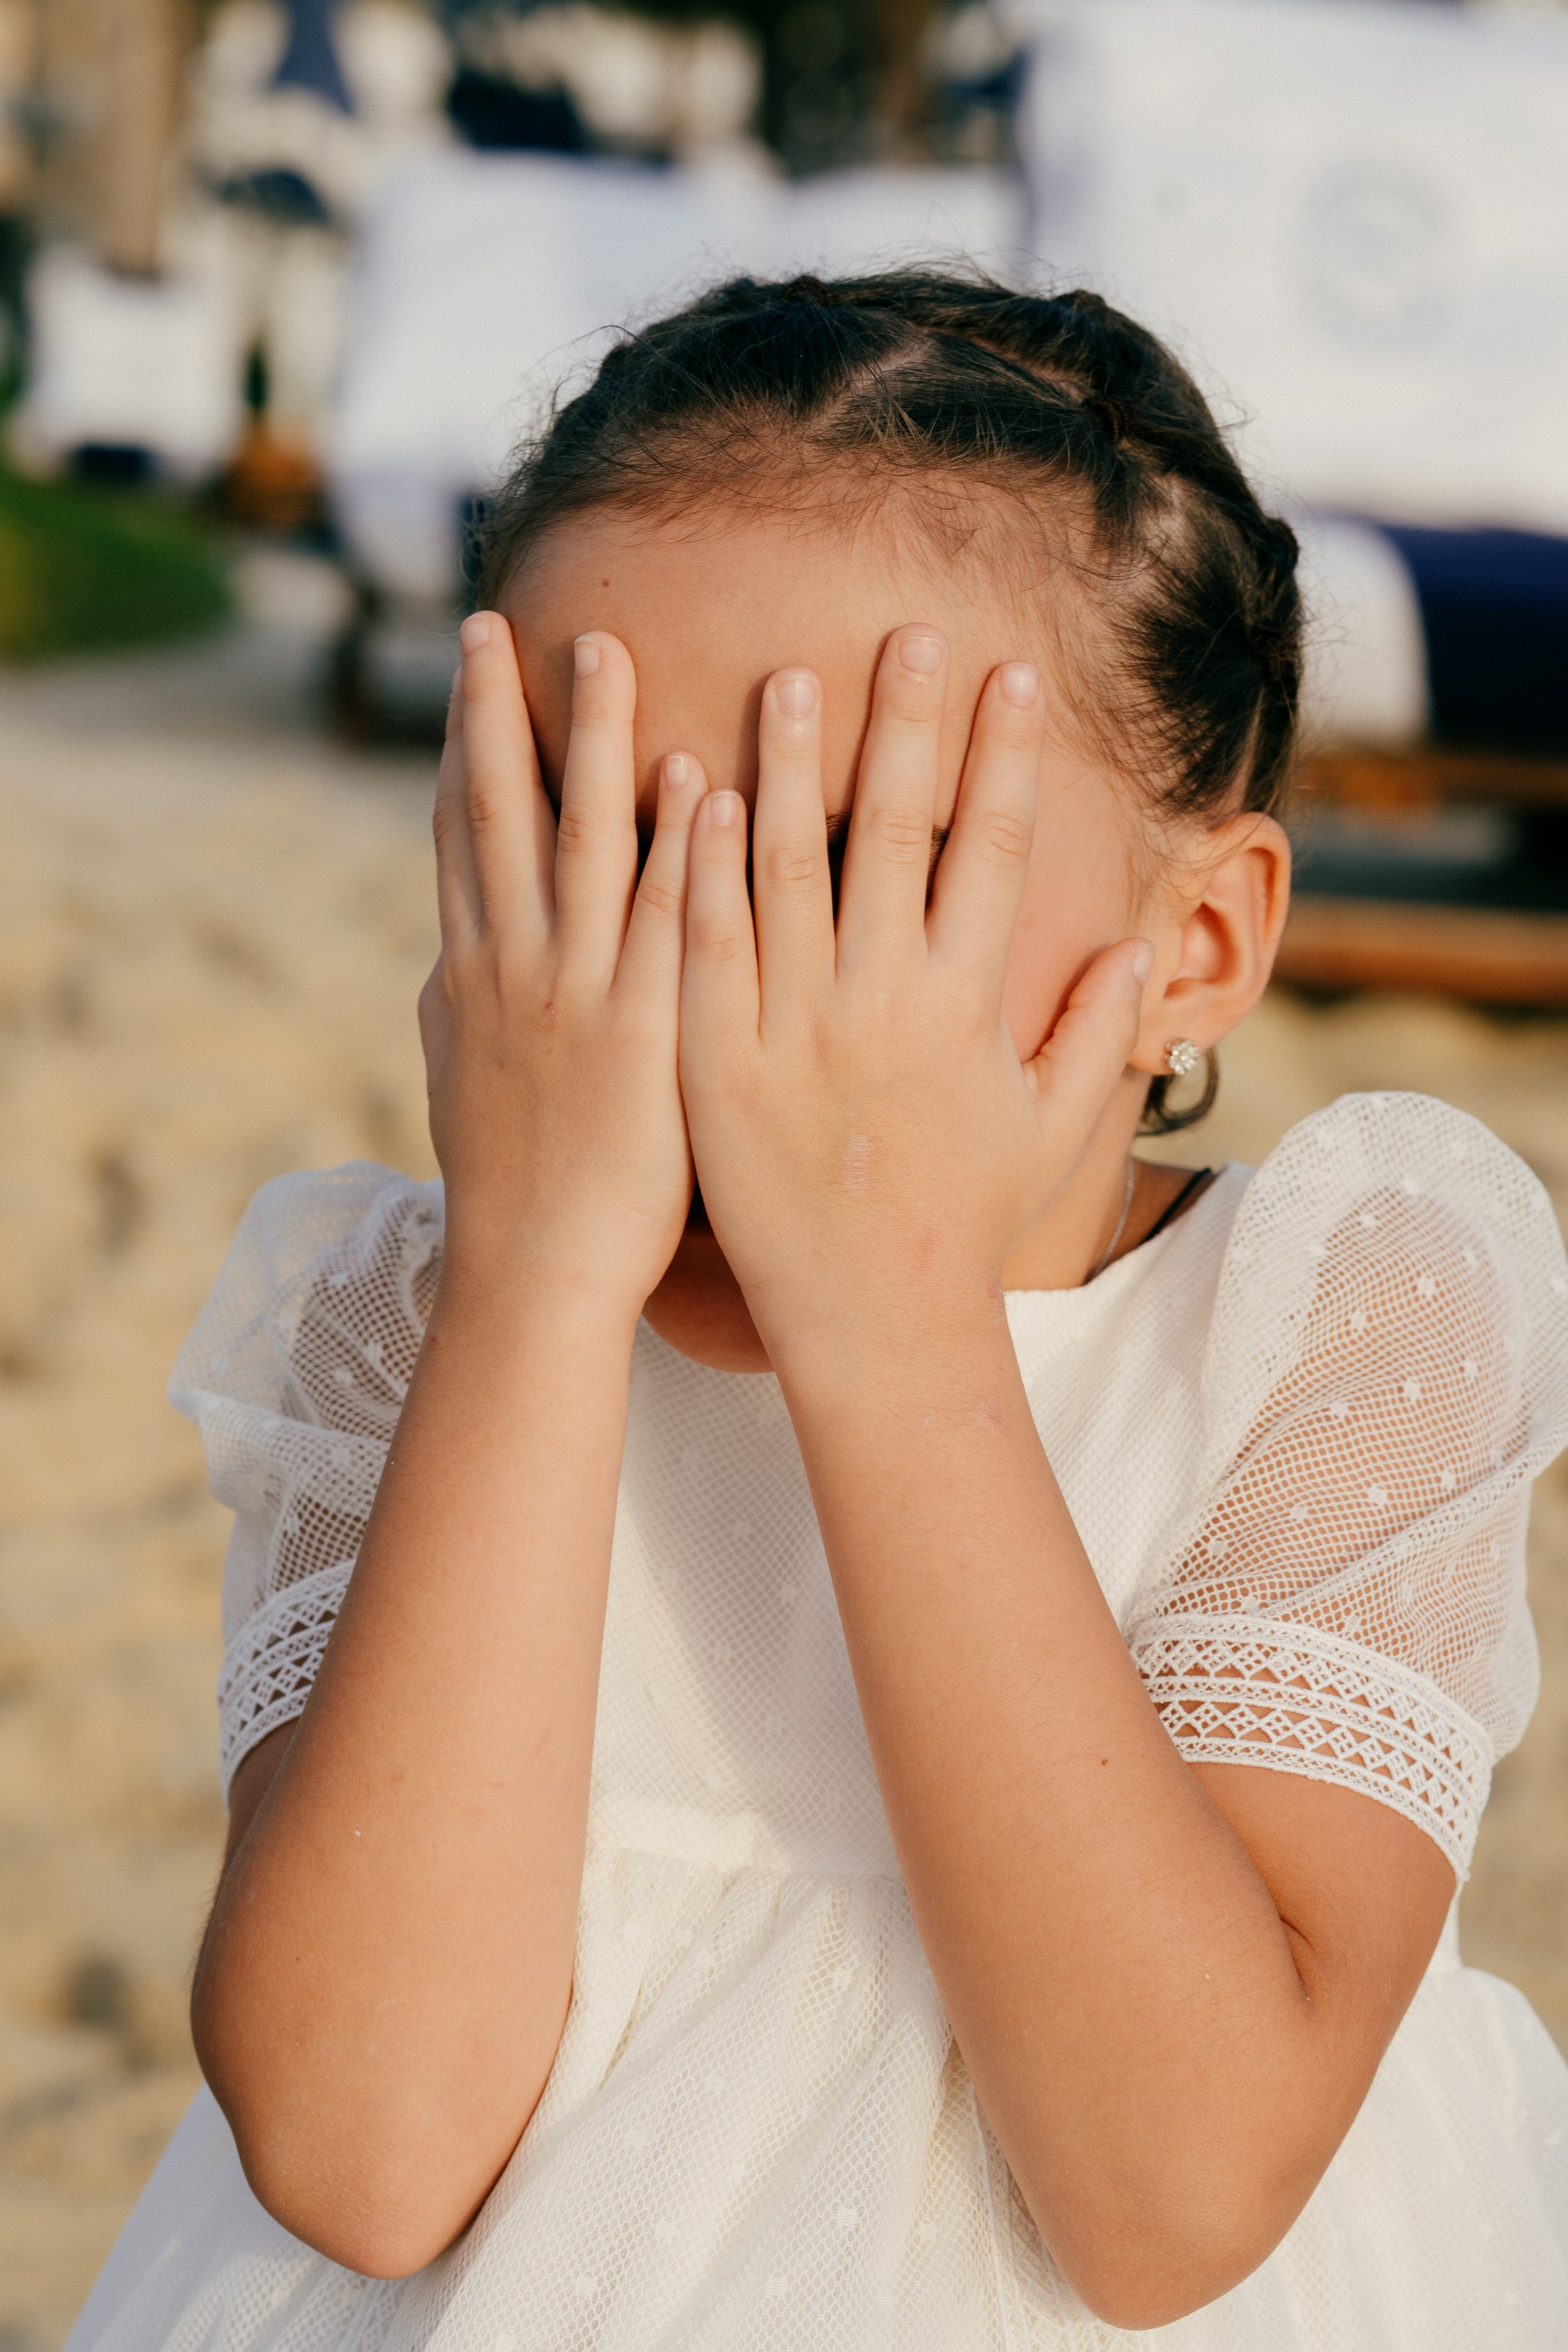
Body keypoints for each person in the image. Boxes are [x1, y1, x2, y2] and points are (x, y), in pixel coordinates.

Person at [67, 273, 1568, 2352]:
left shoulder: (1342, 1319)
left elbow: (1169, 2197)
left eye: (864, 867)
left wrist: (891, 1323)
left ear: (1197, 948)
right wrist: (530, 1289)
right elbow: (363, 2152)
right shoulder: (409, 1319)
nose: (712, 981)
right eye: (600, 844)